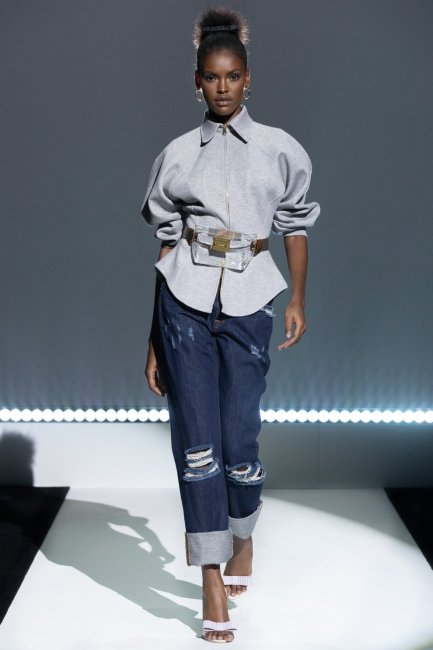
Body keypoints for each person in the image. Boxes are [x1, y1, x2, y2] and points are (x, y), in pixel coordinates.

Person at [140, 5, 321, 643]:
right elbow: (167, 246)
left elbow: (295, 225)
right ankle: (210, 577)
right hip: (183, 302)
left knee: (240, 441)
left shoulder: (279, 149)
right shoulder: (176, 155)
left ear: (249, 78)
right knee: (197, 442)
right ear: (197, 81)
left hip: (251, 297)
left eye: (233, 76)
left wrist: (297, 299)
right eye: (212, 78)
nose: (223, 87)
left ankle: (243, 533)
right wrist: (154, 339)